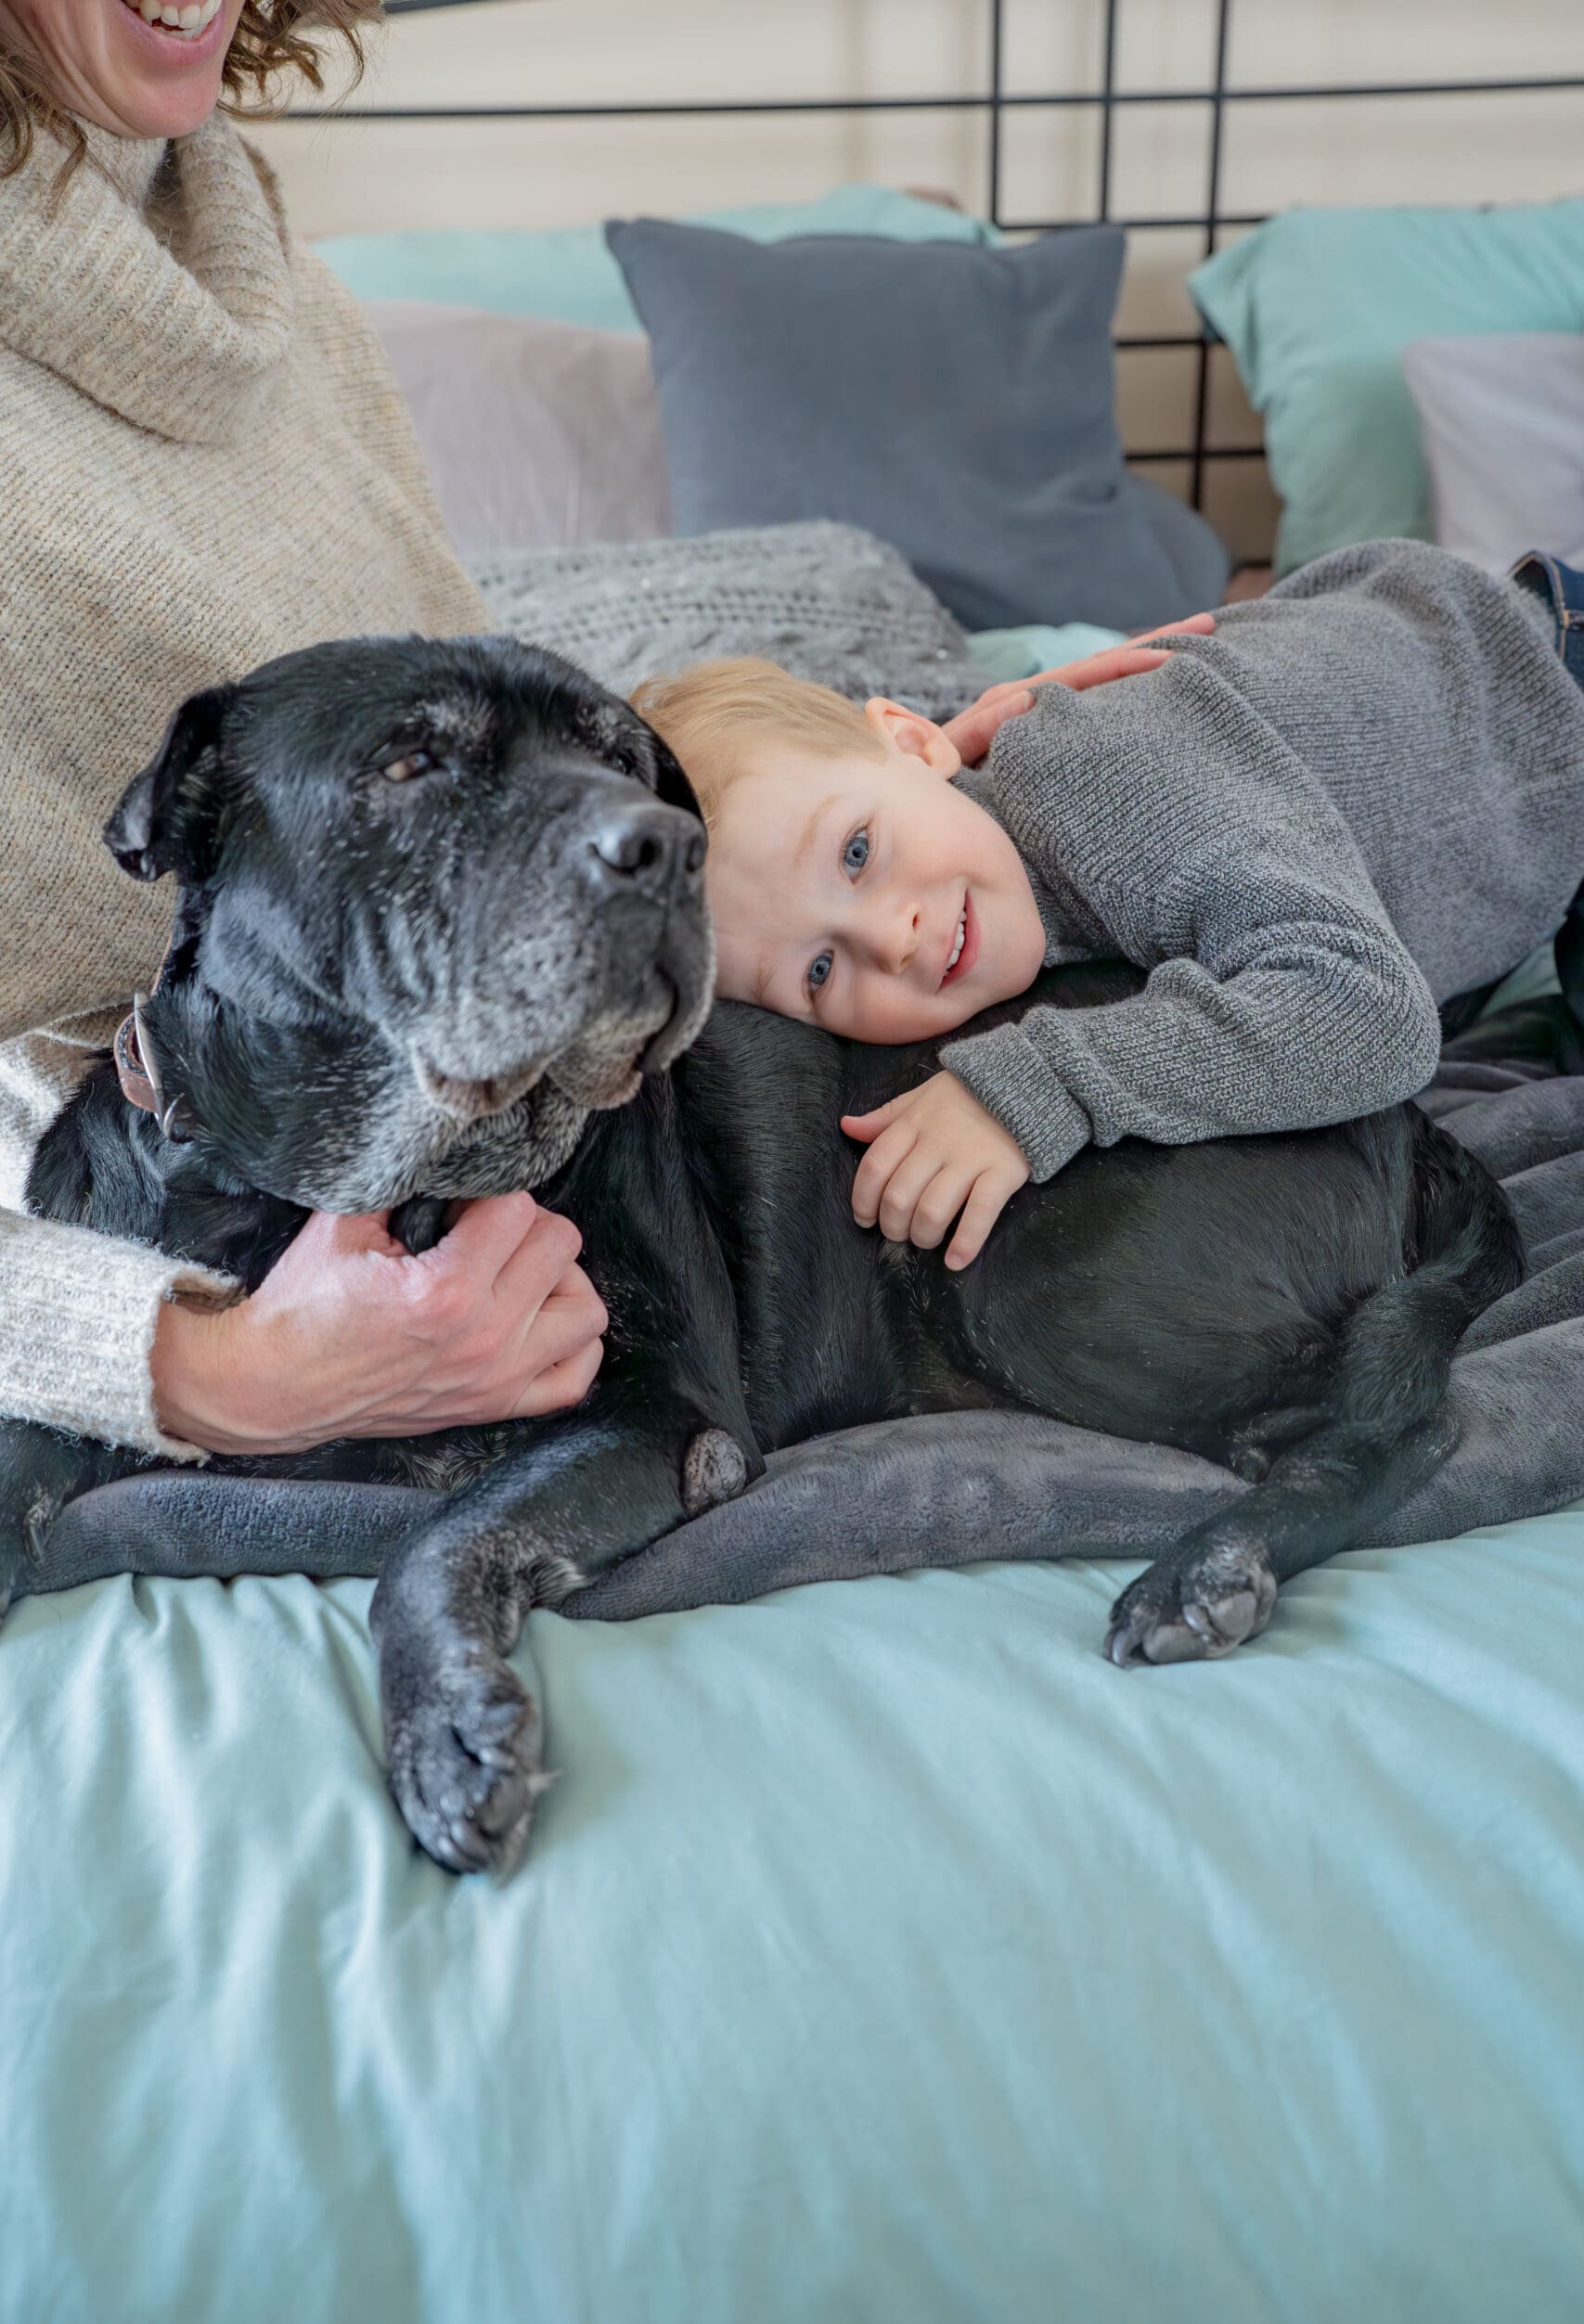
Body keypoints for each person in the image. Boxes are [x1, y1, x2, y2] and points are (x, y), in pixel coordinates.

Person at [0, 0, 1185, 1470]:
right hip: (135, 1218)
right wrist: (204, 1368)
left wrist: (880, 792)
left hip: (485, 1167)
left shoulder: (292, 306)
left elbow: (479, 768)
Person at [636, 541, 1584, 1270]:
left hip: (1546, 692)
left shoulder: (1096, 779)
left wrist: (1038, 1088)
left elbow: (1369, 1016)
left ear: (918, 742)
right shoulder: (987, 859)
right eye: (818, 970)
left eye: (857, 852)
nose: (890, 938)